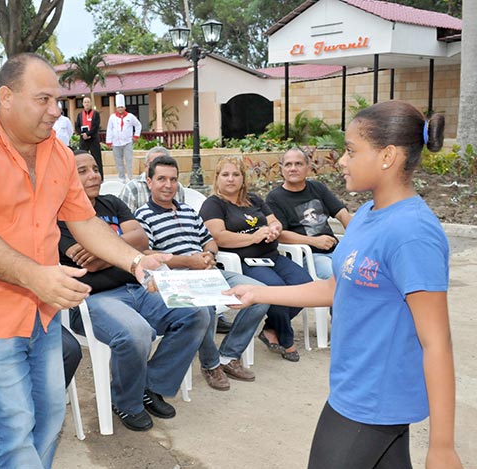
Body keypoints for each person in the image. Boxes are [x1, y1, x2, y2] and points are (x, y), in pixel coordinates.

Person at [0, 53, 171, 469]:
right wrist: (35, 277)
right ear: (6, 97)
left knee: (49, 417)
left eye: (56, 100)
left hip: (41, 313)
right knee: (14, 428)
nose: (55, 110)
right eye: (43, 99)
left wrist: (136, 261)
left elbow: (85, 222)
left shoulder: (57, 153)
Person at [227, 101, 462, 469]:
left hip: (375, 398)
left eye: (351, 151)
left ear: (387, 156)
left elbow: (437, 342)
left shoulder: (413, 233)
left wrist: (442, 447)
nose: (340, 161)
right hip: (355, 385)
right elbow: (336, 288)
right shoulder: (367, 214)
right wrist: (258, 293)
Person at [62, 150, 208, 430]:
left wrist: (102, 248)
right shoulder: (60, 216)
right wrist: (122, 246)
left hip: (136, 287)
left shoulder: (112, 203)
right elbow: (86, 265)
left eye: (95, 168)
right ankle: (126, 401)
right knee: (137, 333)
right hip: (94, 300)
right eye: (82, 171)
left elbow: (141, 238)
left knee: (196, 313)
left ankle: (150, 385)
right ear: (66, 177)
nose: (93, 175)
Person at [134, 155, 269, 389]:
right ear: (149, 181)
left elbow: (209, 240)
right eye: (161, 179)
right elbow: (147, 254)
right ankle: (211, 364)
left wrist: (209, 256)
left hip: (207, 272)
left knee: (260, 294)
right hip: (178, 277)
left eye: (173, 179)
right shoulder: (143, 215)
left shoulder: (188, 211)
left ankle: (228, 355)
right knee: (204, 307)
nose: (168, 185)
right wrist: (188, 261)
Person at [200, 156, 313, 362]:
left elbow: (274, 222)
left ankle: (271, 329)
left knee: (305, 286)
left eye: (236, 174)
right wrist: (253, 237)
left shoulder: (254, 199)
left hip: (272, 256)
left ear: (243, 178)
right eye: (225, 175)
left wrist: (273, 230)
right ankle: (286, 340)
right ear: (217, 179)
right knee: (275, 290)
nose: (231, 179)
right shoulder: (213, 204)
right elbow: (218, 236)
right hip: (244, 262)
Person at [266, 148, 352, 279]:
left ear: (308, 168)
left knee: (362, 271)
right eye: (288, 164)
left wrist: (356, 237)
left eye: (298, 164)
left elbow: (342, 214)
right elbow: (280, 234)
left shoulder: (318, 188)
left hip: (335, 250)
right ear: (282, 169)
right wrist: (314, 241)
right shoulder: (274, 198)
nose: (293, 168)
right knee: (338, 275)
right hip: (307, 256)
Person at [119, 146, 185, 213]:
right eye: (152, 164)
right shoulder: (132, 188)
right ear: (145, 166)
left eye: (161, 163)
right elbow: (123, 219)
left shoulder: (177, 187)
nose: (168, 185)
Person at [105, 93, 141, 181]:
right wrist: (108, 141)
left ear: (124, 108)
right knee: (118, 161)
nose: (120, 109)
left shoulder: (130, 116)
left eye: (121, 107)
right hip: (116, 142)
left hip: (127, 142)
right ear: (116, 108)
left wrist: (136, 136)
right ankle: (121, 177)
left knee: (129, 160)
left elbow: (138, 125)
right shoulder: (112, 117)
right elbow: (109, 129)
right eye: (118, 107)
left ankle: (130, 177)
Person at [75, 96, 103, 178]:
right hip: (83, 139)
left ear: (90, 104)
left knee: (97, 158)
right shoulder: (80, 115)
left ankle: (100, 176)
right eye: (85, 102)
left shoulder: (95, 114)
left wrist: (88, 134)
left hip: (93, 139)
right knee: (82, 158)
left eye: (88, 102)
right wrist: (82, 134)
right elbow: (77, 126)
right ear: (83, 104)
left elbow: (96, 126)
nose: (86, 104)